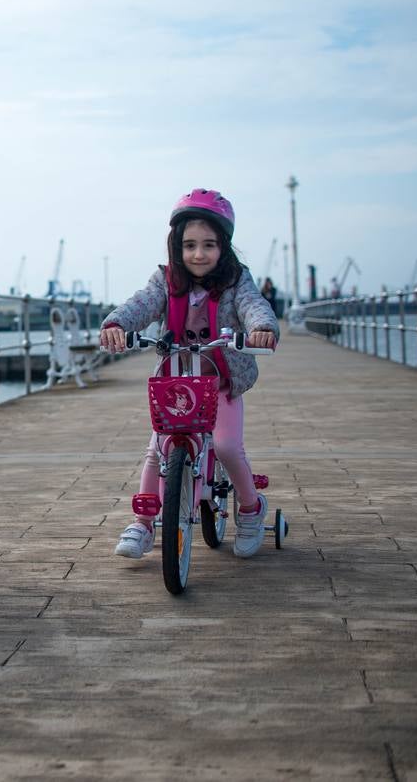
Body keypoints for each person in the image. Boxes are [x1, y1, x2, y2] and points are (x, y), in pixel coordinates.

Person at [99, 188, 279, 559]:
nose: (199, 254)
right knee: (156, 451)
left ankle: (250, 508)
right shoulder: (165, 281)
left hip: (221, 378)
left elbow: (253, 305)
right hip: (176, 378)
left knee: (228, 446)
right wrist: (117, 323)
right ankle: (143, 522)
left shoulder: (235, 280)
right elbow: (141, 305)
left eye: (209, 245)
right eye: (190, 245)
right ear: (176, 246)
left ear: (224, 246)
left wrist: (262, 328)